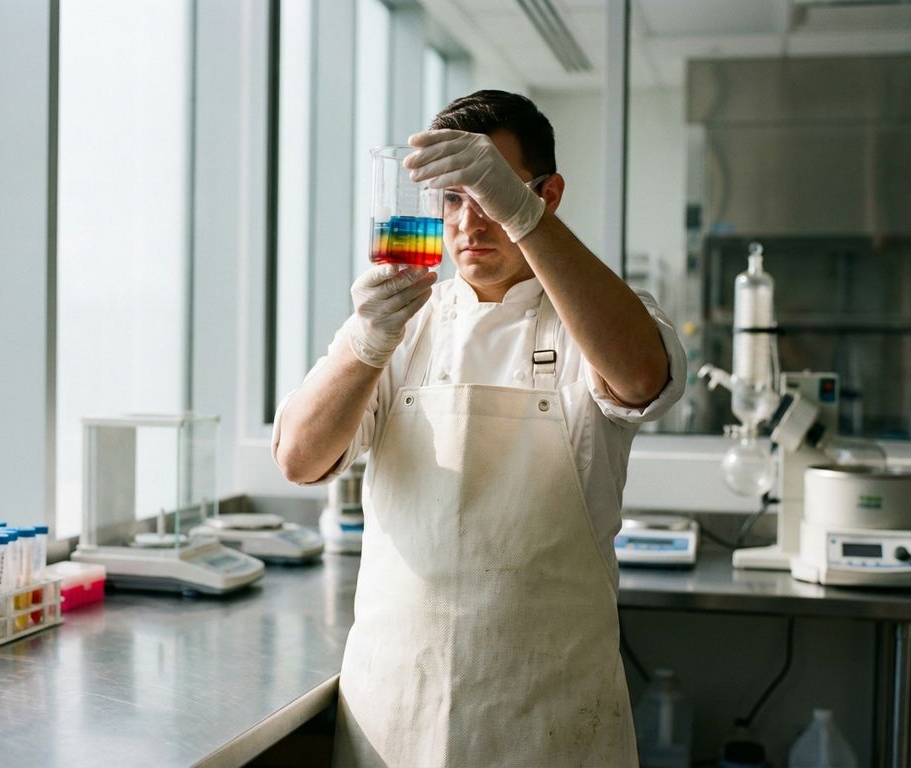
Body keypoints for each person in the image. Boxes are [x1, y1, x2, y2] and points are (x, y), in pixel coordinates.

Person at [273, 90, 686, 767]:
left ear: (546, 194)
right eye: (453, 200)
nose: (471, 223)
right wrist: (366, 339)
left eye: (492, 194)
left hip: (549, 727)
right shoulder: (403, 322)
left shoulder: (594, 316)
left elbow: (641, 376)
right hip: (394, 721)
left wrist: (520, 215)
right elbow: (298, 457)